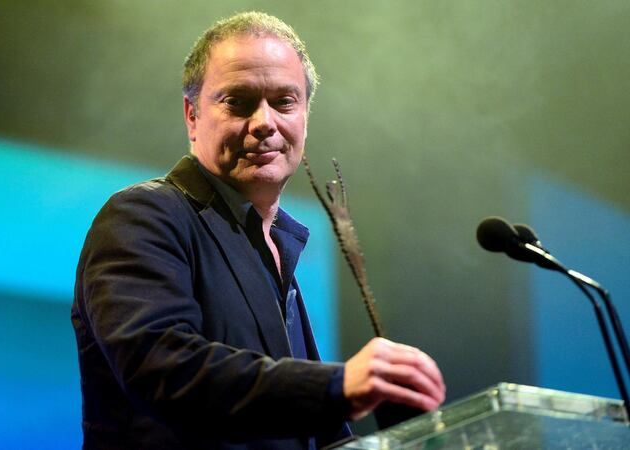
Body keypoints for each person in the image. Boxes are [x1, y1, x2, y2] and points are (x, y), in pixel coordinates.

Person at [71, 11, 445, 449]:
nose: (265, 122)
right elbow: (163, 369)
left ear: (304, 116)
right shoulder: (144, 215)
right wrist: (337, 386)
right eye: (239, 101)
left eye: (284, 102)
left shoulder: (273, 244)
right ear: (192, 116)